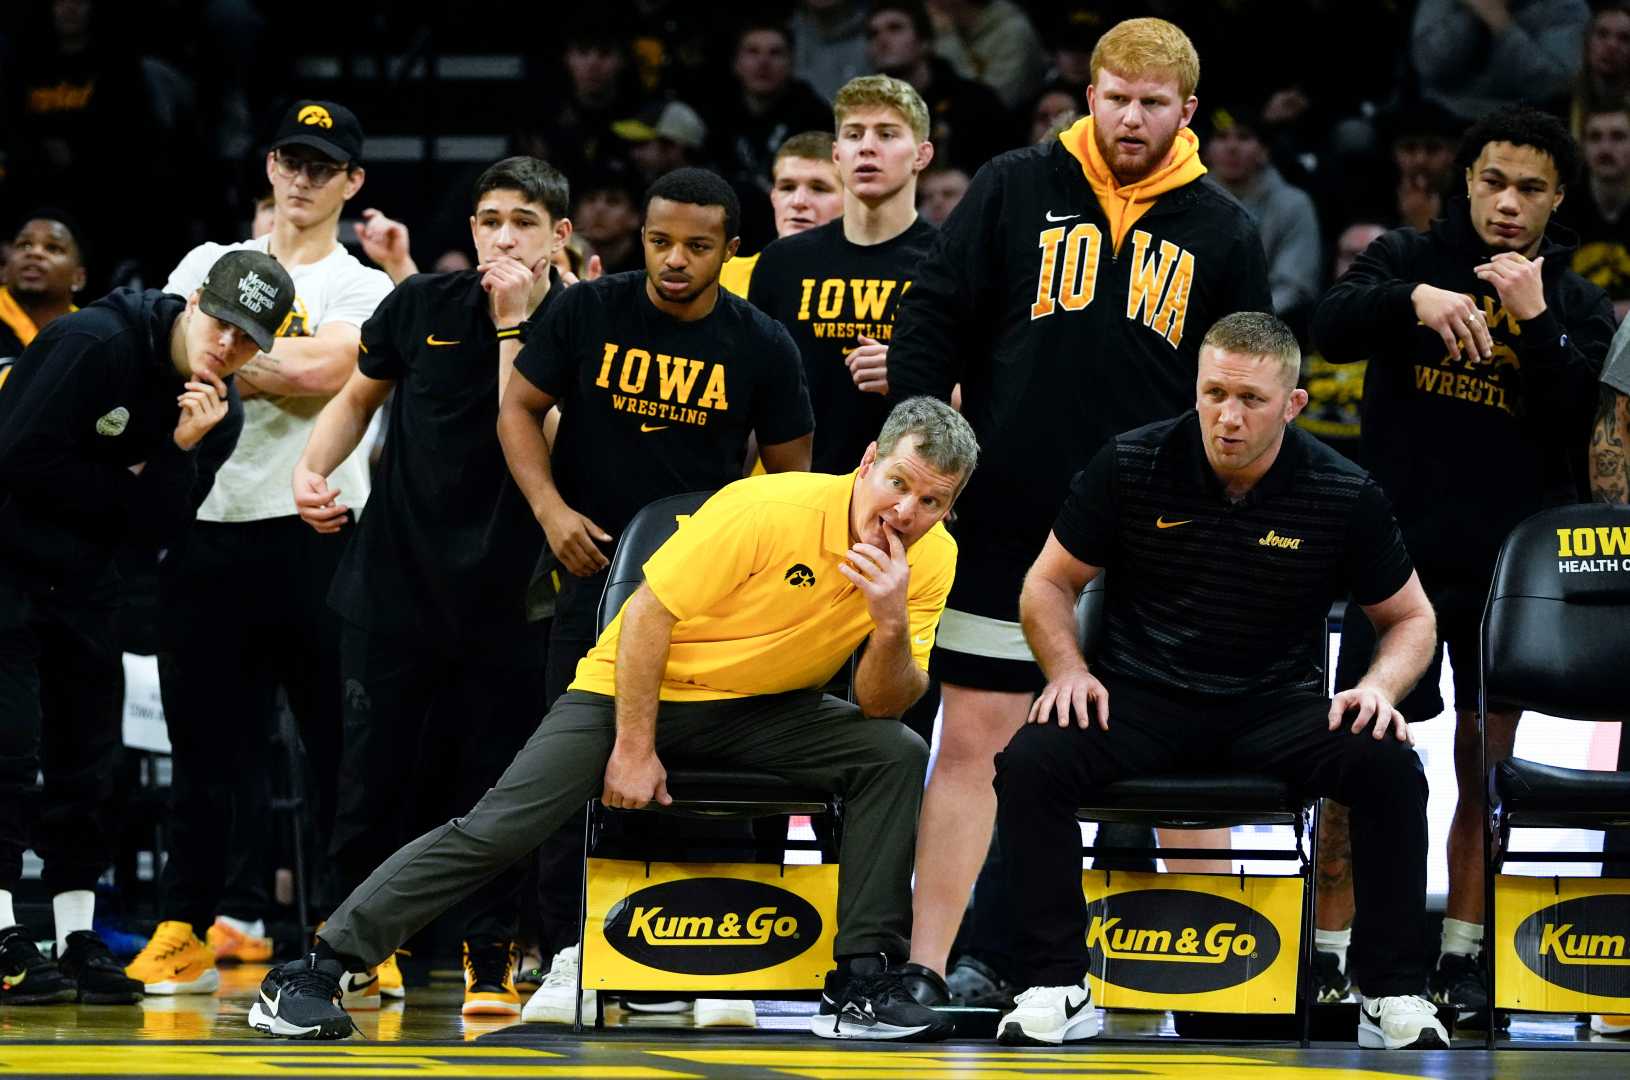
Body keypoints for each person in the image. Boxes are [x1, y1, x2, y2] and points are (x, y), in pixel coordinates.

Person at [246, 396, 975, 1044]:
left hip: (763, 709)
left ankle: (861, 981)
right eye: (898, 484)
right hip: (632, 689)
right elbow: (647, 616)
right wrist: (633, 743)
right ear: (869, 461)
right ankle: (319, 965)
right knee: (503, 823)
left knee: (895, 750)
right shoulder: (768, 509)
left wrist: (885, 624)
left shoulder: (931, 559)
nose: (905, 513)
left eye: (931, 502)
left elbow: (883, 701)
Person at [888, 16, 1271, 1000]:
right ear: (1085, 93)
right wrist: (918, 442)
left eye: (1151, 103)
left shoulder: (1223, 228)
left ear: (1185, 111)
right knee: (974, 741)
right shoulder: (1014, 187)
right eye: (1113, 96)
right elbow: (931, 309)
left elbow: (1242, 382)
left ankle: (1218, 979)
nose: (1128, 117)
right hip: (1007, 516)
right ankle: (932, 967)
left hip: (1158, 534)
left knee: (1183, 754)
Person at [991, 312, 1448, 1051]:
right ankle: (1054, 980)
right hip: (1141, 698)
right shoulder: (1131, 462)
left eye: (1251, 400)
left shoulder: (1341, 489)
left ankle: (1391, 990)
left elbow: (1412, 618)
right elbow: (1047, 583)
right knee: (1030, 764)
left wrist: (1378, 690)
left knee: (1390, 768)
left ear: (1293, 404)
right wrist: (1068, 671)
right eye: (1213, 394)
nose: (1227, 418)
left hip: (1275, 707)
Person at [1312, 103, 1614, 1015]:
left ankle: (1460, 962)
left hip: (1503, 577)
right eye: (1493, 182)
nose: (1509, 204)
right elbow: (1328, 326)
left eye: (1530, 188)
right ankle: (1327, 959)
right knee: (1351, 764)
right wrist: (1413, 301)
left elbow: (1580, 434)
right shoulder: (1410, 259)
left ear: (1559, 197)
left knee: (1487, 773)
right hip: (1392, 567)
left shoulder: (1572, 300)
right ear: (1467, 183)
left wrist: (1531, 325)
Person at [497, 168, 816, 1023]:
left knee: (711, 772)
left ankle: (720, 959)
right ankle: (574, 954)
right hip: (591, 572)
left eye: (698, 246)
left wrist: (753, 574)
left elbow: (793, 482)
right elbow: (518, 408)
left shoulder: (762, 343)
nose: (675, 260)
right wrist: (549, 508)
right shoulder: (585, 312)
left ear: (732, 250)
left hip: (710, 602)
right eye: (660, 241)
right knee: (577, 770)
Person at [123, 98, 393, 997]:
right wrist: (281, 357)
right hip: (207, 526)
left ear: (353, 183)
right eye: (292, 160)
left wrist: (229, 346)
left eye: (324, 167)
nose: (303, 179)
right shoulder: (205, 260)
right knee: (206, 749)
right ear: (270, 166)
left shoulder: (366, 289)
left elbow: (329, 375)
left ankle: (358, 934)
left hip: (318, 533)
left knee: (336, 749)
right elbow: (176, 360)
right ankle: (182, 928)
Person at [293, 156, 571, 1018]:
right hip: (396, 586)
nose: (502, 236)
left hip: (516, 598)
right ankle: (351, 953)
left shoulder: (583, 324)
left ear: (560, 236)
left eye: (523, 220)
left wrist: (517, 324)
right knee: (369, 782)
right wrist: (310, 468)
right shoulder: (417, 304)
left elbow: (543, 431)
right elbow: (357, 397)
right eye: (490, 220)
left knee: (495, 790)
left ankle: (489, 955)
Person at [0, 248, 292, 1006]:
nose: (227, 345)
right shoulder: (92, 343)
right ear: (194, 300)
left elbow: (153, 532)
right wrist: (120, 486)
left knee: (88, 765)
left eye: (248, 339)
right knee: (8, 749)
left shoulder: (213, 413)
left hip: (89, 582)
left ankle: (74, 936)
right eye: (221, 322)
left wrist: (175, 454)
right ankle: (2, 930)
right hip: (6, 566)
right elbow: (16, 459)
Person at [750, 76, 937, 474]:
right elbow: (747, 397)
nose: (867, 146)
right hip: (791, 496)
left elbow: (985, 396)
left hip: (904, 496)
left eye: (886, 134)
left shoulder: (948, 262)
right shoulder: (782, 262)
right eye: (854, 134)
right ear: (837, 154)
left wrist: (909, 374)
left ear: (922, 155)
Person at [1203, 104, 1322, 327]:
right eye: (1221, 137)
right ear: (1206, 151)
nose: (1232, 147)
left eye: (1244, 137)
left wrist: (1240, 327)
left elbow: (1295, 286)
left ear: (1264, 151)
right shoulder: (1185, 201)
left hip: (1269, 331)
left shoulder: (1293, 204)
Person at [868, 0, 1012, 176]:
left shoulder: (975, 103)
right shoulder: (866, 112)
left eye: (895, 28)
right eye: (873, 34)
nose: (882, 40)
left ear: (924, 41)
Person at [1411, 0, 1588, 123]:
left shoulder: (1565, 6)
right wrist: (1471, 16)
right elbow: (1430, 66)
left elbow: (1555, 83)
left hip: (1528, 121)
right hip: (1443, 118)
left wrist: (1501, 24)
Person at [719, 131, 843, 299]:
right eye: (788, 187)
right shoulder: (720, 279)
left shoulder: (872, 285)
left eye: (819, 188)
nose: (798, 201)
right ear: (774, 197)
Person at [1559, 99, 1630, 320]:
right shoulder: (1560, 205)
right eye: (1595, 137)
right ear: (1582, 147)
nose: (1605, 148)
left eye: (1618, 137)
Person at [0, 213, 87, 368]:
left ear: (78, 278)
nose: (35, 253)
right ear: (4, 271)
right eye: (24, 245)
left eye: (53, 248)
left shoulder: (92, 334)